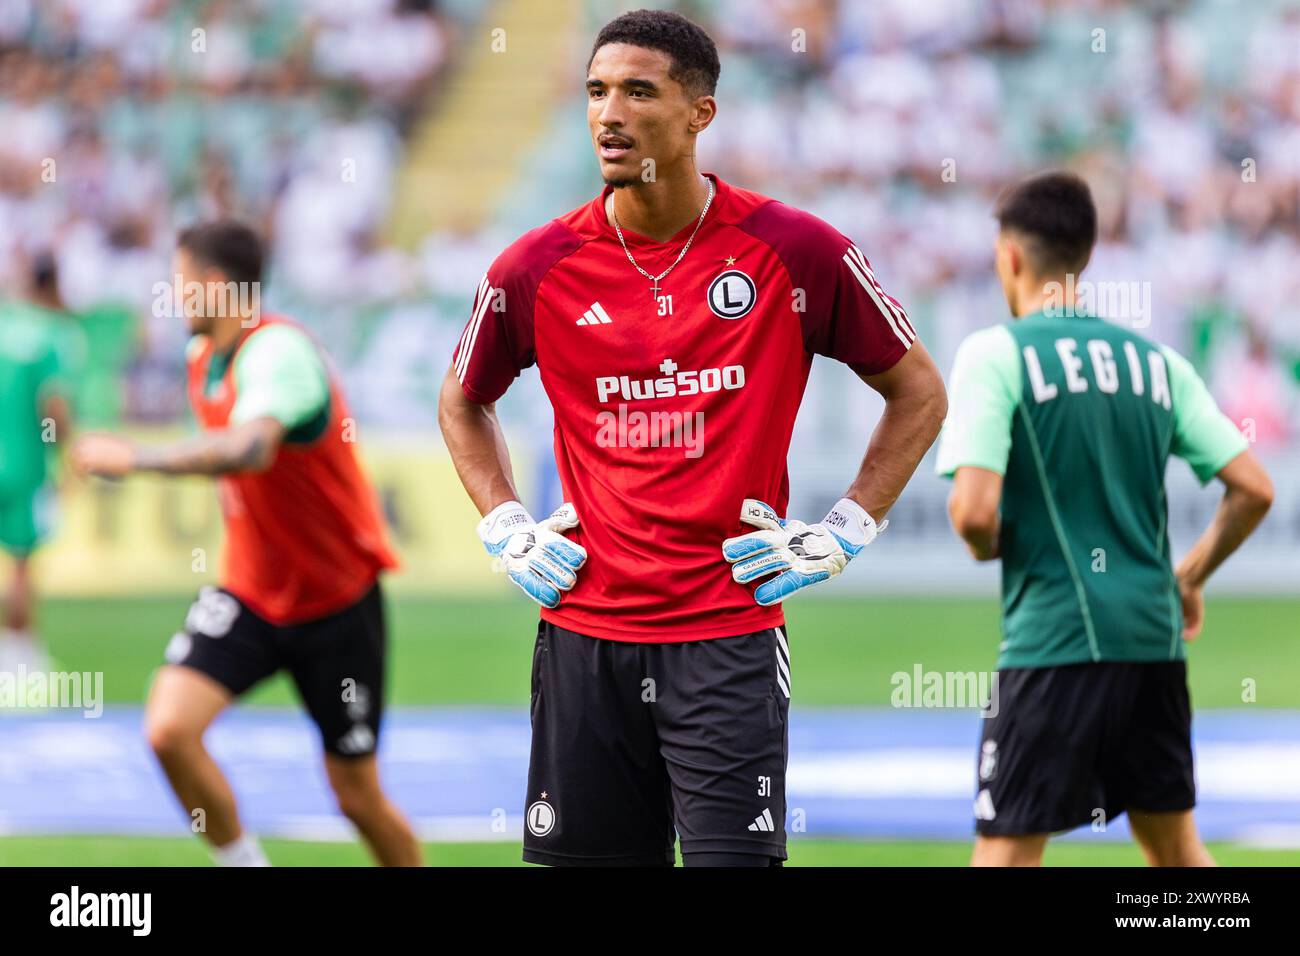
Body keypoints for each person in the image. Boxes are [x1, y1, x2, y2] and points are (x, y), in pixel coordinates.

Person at [438, 9, 947, 867]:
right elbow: (463, 400)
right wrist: (504, 522)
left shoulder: (794, 251)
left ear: (699, 114)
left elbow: (919, 390)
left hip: (727, 638)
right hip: (584, 634)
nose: (610, 114)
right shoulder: (535, 268)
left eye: (639, 92)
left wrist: (848, 528)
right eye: (597, 92)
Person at [937, 171, 1273, 867]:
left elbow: (973, 511)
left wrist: (985, 541)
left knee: (1005, 850)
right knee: (1176, 850)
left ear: (1011, 257)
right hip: (1153, 641)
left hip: (1055, 639)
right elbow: (1253, 489)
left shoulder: (994, 354)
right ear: (1085, 258)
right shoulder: (1159, 363)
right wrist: (1191, 574)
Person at [72, 220, 420, 866]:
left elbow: (250, 448)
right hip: (251, 593)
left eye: (179, 282)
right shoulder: (201, 358)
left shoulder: (279, 352)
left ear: (211, 285)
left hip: (337, 604)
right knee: (169, 729)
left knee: (356, 796)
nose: (173, 297)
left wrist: (138, 459)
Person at [0, 251, 77, 688]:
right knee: (22, 563)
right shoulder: (51, 334)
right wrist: (67, 452)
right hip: (24, 462)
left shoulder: (4, 325)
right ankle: (18, 661)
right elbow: (54, 405)